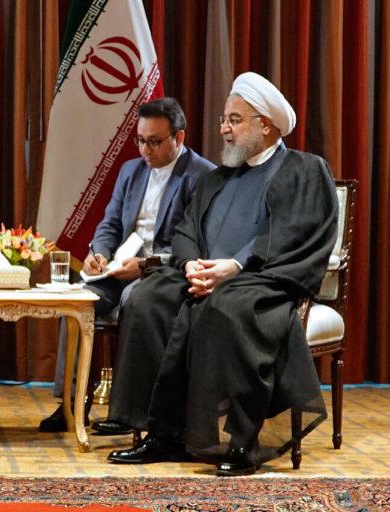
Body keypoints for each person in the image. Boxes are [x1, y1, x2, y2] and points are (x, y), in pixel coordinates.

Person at [106, 72, 338, 477]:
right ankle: (162, 434)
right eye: (224, 119)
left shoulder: (303, 169)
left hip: (265, 282)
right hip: (207, 278)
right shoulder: (217, 177)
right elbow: (186, 231)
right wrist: (192, 263)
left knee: (225, 307)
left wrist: (234, 266)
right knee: (149, 297)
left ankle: (239, 442)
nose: (223, 129)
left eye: (234, 119)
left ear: (265, 124)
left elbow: (292, 234)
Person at [39, 97, 215, 432]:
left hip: (163, 271)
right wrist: (99, 253)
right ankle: (71, 403)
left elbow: (196, 242)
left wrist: (146, 265)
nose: (145, 150)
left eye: (154, 141)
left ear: (179, 138)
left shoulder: (202, 175)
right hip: (118, 265)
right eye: (140, 140)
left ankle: (127, 411)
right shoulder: (130, 170)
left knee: (135, 299)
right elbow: (110, 223)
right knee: (77, 298)